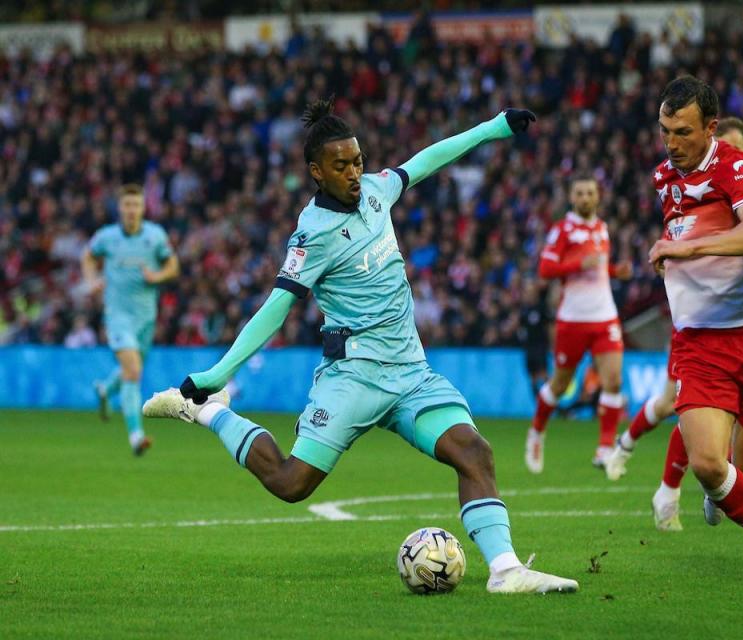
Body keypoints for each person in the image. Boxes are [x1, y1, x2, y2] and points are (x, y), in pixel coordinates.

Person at [143, 97, 578, 595]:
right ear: (315, 171)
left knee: (474, 452)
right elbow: (276, 308)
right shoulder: (312, 235)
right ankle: (210, 413)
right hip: (353, 376)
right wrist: (217, 375)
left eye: (358, 161)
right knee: (290, 484)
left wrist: (493, 128)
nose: (354, 173)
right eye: (340, 165)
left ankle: (506, 571)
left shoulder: (376, 191)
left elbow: (427, 159)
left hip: (411, 372)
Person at [605, 117, 743, 523]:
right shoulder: (677, 181)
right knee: (679, 406)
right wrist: (677, 261)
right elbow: (680, 229)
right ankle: (656, 479)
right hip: (706, 327)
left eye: (737, 149)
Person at [642, 77, 743, 586]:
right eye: (665, 130)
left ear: (711, 128)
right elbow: (684, 232)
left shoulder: (734, 167)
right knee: (710, 465)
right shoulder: (663, 178)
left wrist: (685, 251)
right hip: (701, 342)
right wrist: (674, 259)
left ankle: (736, 499)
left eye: (683, 131)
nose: (672, 142)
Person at [525, 175, 633, 473]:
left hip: (604, 316)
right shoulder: (562, 230)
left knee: (613, 381)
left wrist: (614, 271)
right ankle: (536, 431)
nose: (585, 198)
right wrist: (577, 264)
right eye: (580, 193)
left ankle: (604, 448)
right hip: (572, 319)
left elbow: (597, 269)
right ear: (572, 198)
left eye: (590, 193)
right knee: (559, 384)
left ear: (598, 196)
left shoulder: (602, 228)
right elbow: (545, 269)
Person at [82, 184, 179, 456]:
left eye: (136, 205)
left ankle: (104, 390)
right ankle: (136, 436)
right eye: (127, 205)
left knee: (130, 371)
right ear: (119, 208)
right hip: (117, 315)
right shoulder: (107, 237)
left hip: (146, 317)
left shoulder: (155, 236)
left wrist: (157, 277)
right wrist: (91, 281)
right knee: (134, 371)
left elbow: (173, 266)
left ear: (143, 208)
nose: (131, 210)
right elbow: (88, 256)